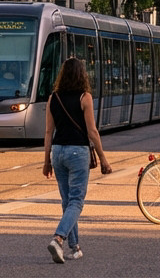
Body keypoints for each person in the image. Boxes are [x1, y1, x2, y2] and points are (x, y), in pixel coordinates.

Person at [42, 57, 112, 263]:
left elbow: (48, 131)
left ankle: (75, 247)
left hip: (58, 151)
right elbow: (92, 131)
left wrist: (46, 160)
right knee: (76, 202)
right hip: (77, 153)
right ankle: (58, 238)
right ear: (82, 75)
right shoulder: (85, 97)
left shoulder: (53, 98)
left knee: (67, 201)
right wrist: (103, 159)